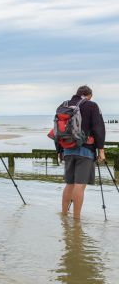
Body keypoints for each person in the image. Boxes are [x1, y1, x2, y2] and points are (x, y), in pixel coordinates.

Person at [61, 85, 105, 220]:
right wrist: (101, 150)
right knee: (80, 185)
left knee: (69, 183)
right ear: (89, 95)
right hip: (85, 150)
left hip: (67, 148)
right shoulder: (91, 105)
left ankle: (64, 215)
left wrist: (59, 150)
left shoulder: (64, 105)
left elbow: (58, 129)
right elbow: (98, 128)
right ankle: (76, 220)